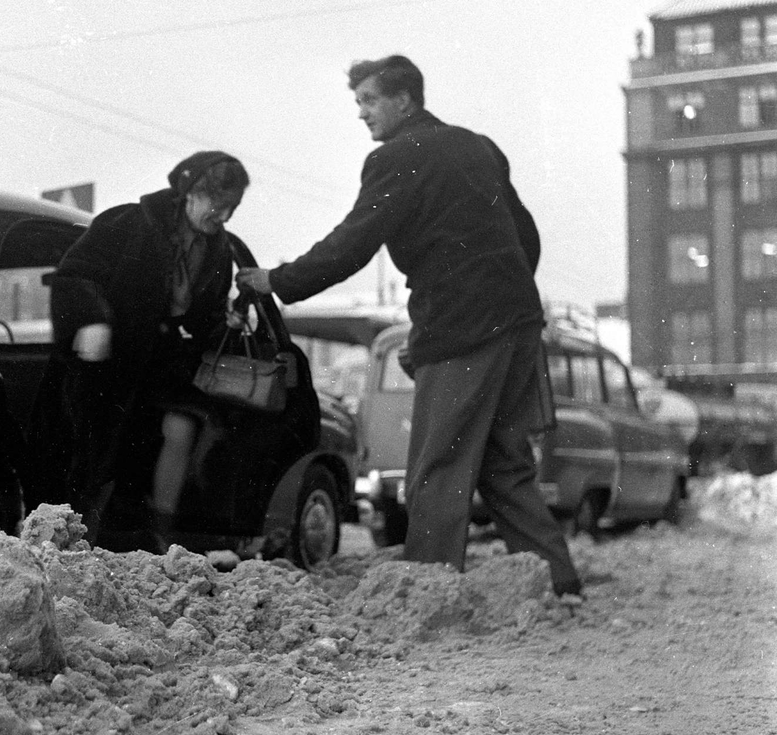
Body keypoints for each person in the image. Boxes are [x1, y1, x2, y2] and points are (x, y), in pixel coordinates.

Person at [236, 55, 582, 596]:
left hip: (461, 329)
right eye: (358, 103)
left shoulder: (397, 158)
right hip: (519, 323)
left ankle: (426, 593)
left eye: (370, 101)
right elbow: (526, 236)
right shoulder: (478, 146)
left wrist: (277, 281)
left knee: (437, 463)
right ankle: (559, 583)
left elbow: (352, 244)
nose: (362, 114)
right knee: (503, 462)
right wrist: (500, 296)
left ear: (405, 100)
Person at [31, 150, 250, 548]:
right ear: (189, 193)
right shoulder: (129, 223)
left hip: (160, 366)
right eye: (217, 205)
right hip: (107, 363)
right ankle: (68, 542)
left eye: (231, 208)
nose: (224, 217)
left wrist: (226, 325)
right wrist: (92, 319)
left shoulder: (219, 253)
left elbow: (206, 320)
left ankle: (158, 536)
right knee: (92, 455)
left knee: (181, 426)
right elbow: (75, 274)